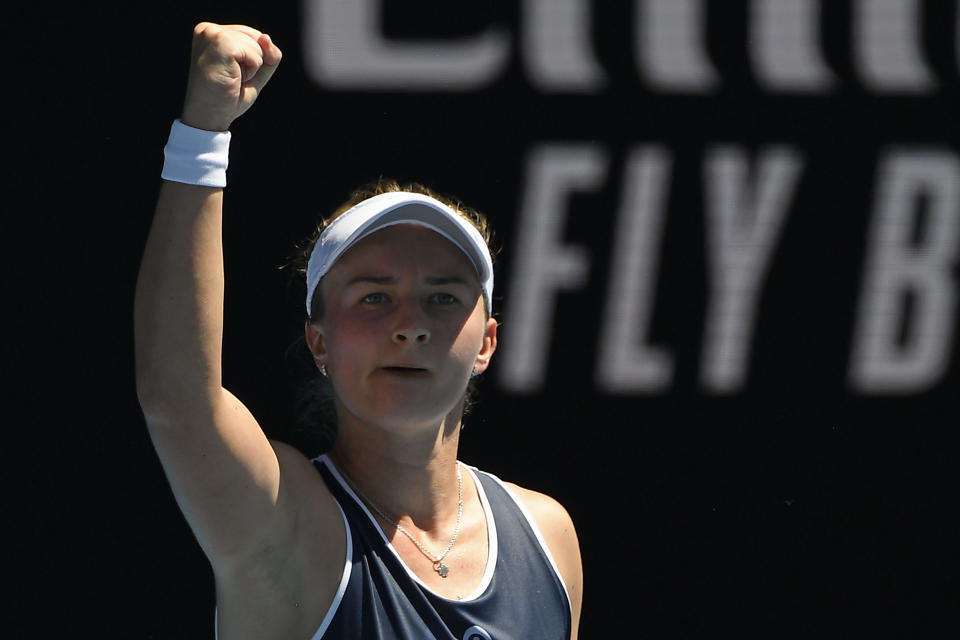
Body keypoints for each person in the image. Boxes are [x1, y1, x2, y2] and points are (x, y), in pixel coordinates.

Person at [134, 22, 583, 640]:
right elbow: (178, 398)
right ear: (319, 341)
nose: (410, 326)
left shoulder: (548, 537)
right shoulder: (285, 521)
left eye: (443, 297)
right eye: (375, 297)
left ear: (487, 341)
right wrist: (202, 135)